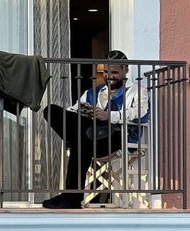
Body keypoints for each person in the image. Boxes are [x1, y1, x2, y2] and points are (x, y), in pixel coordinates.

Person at [42, 50, 149, 209]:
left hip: (116, 137)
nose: (109, 76)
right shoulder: (93, 92)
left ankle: (71, 198)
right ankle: (71, 198)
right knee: (51, 110)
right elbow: (72, 110)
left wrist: (108, 116)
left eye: (114, 72)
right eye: (105, 72)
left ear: (125, 70)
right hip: (90, 136)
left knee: (81, 142)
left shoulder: (136, 91)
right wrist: (83, 112)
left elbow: (140, 112)